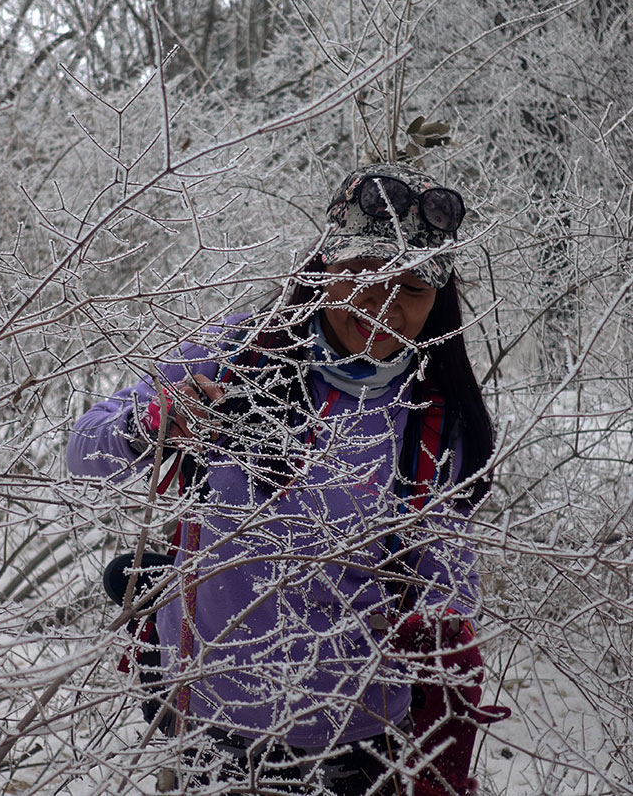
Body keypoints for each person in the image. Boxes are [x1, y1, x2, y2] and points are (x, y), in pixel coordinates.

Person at [68, 163, 504, 795]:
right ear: (326, 263)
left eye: (409, 285)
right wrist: (153, 422)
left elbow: (446, 571)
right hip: (208, 734)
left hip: (361, 746)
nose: (382, 305)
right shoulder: (239, 355)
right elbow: (83, 454)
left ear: (438, 298)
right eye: (363, 272)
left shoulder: (434, 421)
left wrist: (446, 656)